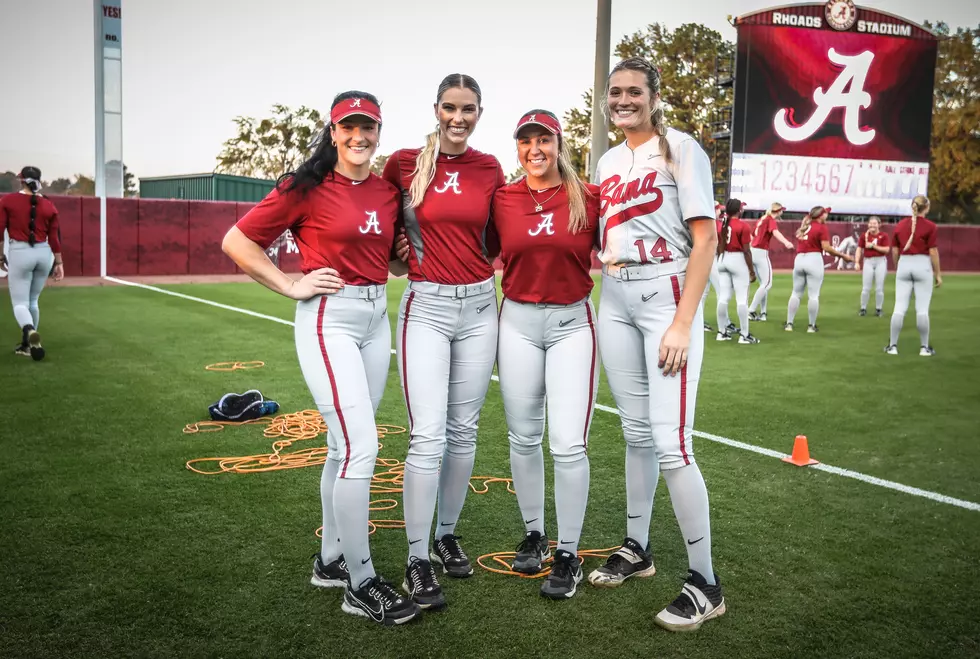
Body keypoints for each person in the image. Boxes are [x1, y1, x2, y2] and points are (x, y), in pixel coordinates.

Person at [222, 91, 421, 626]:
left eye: (368, 127)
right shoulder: (303, 185)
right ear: (333, 132)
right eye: (348, 126)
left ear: (378, 132)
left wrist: (405, 252)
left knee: (343, 445)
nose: (359, 136)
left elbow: (395, 265)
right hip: (328, 317)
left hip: (376, 318)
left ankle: (331, 561)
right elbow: (237, 242)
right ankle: (360, 582)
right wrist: (289, 283)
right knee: (363, 446)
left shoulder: (384, 190)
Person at [588, 56, 725, 632]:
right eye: (615, 92)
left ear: (653, 96)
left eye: (634, 92)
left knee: (673, 446)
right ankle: (637, 547)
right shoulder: (609, 159)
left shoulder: (682, 148)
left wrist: (683, 322)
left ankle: (705, 583)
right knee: (636, 432)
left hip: (666, 298)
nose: (623, 100)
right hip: (615, 299)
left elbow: (706, 237)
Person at [381, 74, 505, 610]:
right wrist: (402, 256)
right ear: (436, 109)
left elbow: (497, 241)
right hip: (426, 306)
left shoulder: (491, 167)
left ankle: (446, 533)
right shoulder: (402, 164)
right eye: (451, 108)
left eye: (469, 109)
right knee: (428, 435)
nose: (459, 117)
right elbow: (382, 242)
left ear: (480, 113)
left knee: (463, 430)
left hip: (480, 306)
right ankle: (416, 558)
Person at [492, 110, 599, 599]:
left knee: (568, 442)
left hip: (572, 324)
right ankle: (534, 532)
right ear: (517, 147)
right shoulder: (504, 199)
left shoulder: (587, 196)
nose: (535, 149)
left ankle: (569, 553)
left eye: (544, 140)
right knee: (523, 436)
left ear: (559, 143)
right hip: (515, 322)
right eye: (526, 141)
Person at [0, 166, 64, 360]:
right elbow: (54, 238)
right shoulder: (49, 205)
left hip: (21, 252)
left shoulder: (7, 201)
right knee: (33, 301)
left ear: (21, 180)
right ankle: (28, 345)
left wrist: (1, 256)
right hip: (44, 254)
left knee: (20, 303)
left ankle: (29, 331)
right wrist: (59, 263)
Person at [885, 195, 941, 356]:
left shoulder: (900, 225)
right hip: (922, 264)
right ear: (927, 208)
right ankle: (924, 348)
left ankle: (893, 346)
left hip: (904, 263)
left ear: (912, 207)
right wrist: (938, 274)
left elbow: (895, 251)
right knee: (922, 310)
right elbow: (933, 251)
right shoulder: (931, 226)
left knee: (899, 307)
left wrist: (898, 267)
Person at [783, 206, 853, 333]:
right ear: (821, 215)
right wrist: (843, 256)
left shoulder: (805, 226)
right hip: (813, 259)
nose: (827, 215)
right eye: (826, 213)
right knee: (813, 295)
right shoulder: (821, 227)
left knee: (796, 293)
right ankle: (811, 326)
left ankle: (789, 324)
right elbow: (826, 247)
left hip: (799, 260)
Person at [715, 198, 759, 344]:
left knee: (723, 298)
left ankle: (721, 332)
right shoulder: (743, 226)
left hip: (723, 259)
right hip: (737, 259)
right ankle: (744, 335)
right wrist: (752, 271)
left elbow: (719, 245)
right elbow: (747, 251)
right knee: (742, 300)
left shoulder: (723, 224)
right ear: (739, 210)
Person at [747, 202, 793, 321]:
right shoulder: (770, 220)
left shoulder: (762, 219)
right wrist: (786, 242)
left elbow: (752, 236)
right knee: (767, 284)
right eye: (781, 210)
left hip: (753, 251)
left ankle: (763, 312)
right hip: (761, 252)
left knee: (763, 284)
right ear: (778, 211)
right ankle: (751, 310)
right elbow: (775, 232)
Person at [855, 216, 890, 317]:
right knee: (866, 287)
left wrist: (873, 246)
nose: (872, 225)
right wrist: (857, 261)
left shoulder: (883, 236)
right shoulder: (864, 236)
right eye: (870, 223)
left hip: (880, 261)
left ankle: (879, 309)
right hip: (868, 261)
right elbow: (859, 249)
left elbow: (886, 250)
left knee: (879, 288)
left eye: (874, 223)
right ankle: (863, 308)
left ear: (879, 225)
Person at [700, 202, 724, 334]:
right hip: (712, 259)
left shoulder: (702, 223)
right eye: (718, 210)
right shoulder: (715, 224)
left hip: (702, 259)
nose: (720, 212)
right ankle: (724, 324)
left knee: (703, 293)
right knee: (722, 291)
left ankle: (699, 322)